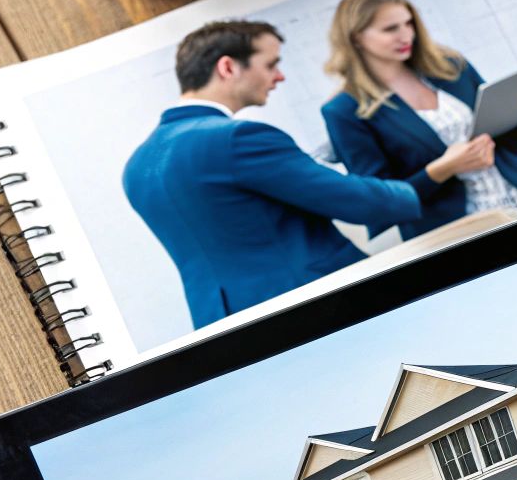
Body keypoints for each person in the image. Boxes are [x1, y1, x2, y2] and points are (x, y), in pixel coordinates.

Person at [124, 20, 451, 330]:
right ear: (228, 67)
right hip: (317, 308)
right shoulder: (238, 138)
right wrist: (438, 171)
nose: (279, 77)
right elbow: (356, 202)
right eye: (270, 65)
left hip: (225, 330)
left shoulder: (137, 166)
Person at [321, 0, 517, 242]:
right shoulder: (344, 111)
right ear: (356, 38)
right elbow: (381, 202)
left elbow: (507, 145)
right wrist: (442, 169)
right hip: (458, 234)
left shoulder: (450, 67)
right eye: (390, 29)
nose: (406, 35)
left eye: (409, 23)